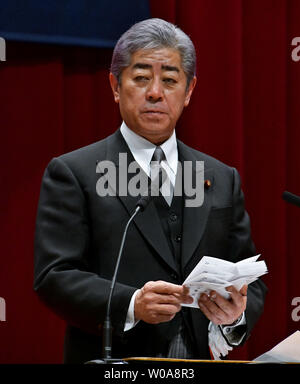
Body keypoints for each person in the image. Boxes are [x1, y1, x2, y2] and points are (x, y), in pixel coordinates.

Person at [34, 18, 267, 364]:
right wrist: (132, 304)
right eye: (141, 78)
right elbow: (54, 276)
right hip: (117, 362)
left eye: (170, 80)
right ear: (115, 86)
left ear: (188, 92)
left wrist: (235, 316)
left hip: (198, 360)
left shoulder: (220, 177)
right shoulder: (74, 172)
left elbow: (250, 278)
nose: (155, 92)